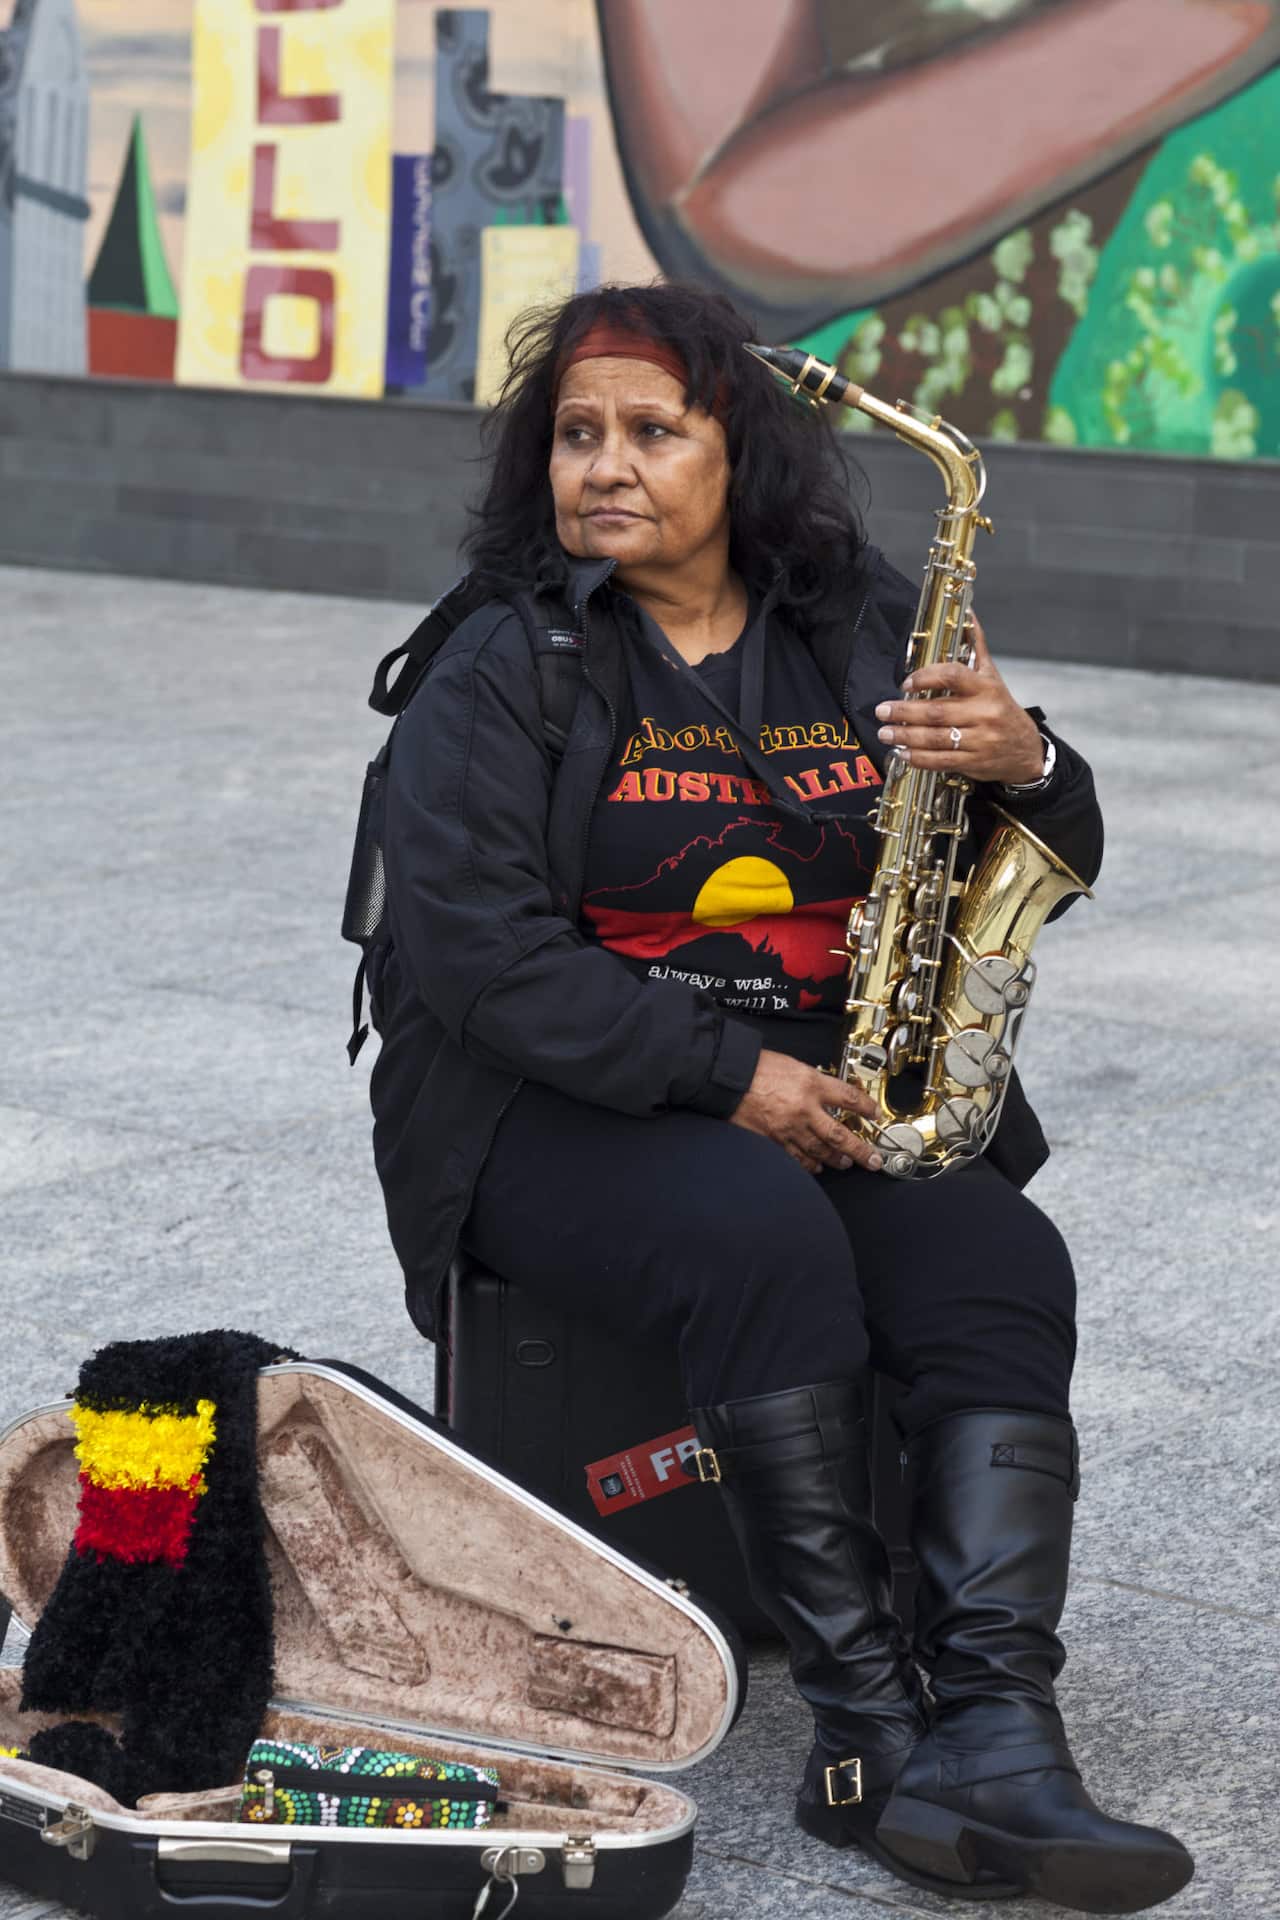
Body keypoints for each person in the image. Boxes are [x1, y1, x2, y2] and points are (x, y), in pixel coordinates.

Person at [367, 282, 1193, 1911]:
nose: (605, 466)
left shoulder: (861, 623)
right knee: (758, 1231)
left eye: (651, 431)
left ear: (739, 453)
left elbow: (1027, 857)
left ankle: (1002, 1732)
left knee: (999, 1262)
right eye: (578, 435)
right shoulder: (500, 662)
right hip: (544, 1113)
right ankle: (866, 1735)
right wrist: (732, 1076)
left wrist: (1030, 765)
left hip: (830, 1083)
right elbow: (479, 959)